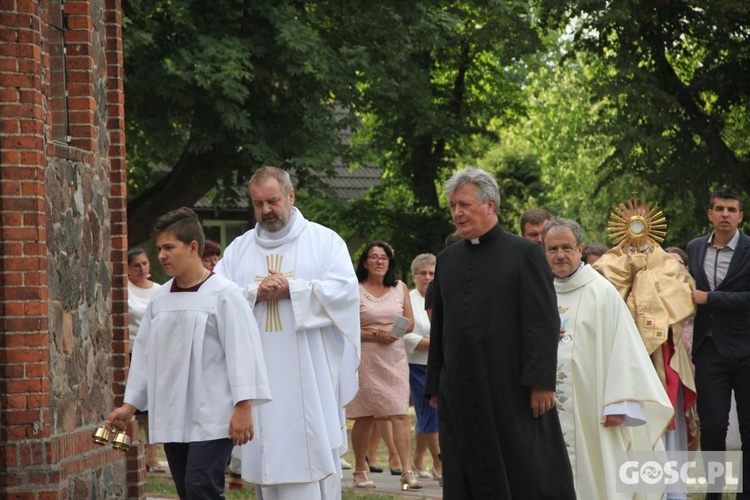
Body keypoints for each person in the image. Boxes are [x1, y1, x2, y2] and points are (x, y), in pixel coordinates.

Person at [425, 167, 575, 499]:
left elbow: (542, 321)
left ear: (490, 204)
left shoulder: (525, 253)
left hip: (510, 389)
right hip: (460, 389)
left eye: (464, 205)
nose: (457, 213)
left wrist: (541, 382)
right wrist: (436, 384)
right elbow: (441, 326)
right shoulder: (447, 259)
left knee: (524, 469)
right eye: (452, 206)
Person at [214, 166, 360, 500]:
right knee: (268, 465)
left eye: (273, 201)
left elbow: (345, 292)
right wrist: (254, 293)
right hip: (258, 378)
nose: (265, 210)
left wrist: (292, 290)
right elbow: (218, 297)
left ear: (291, 196)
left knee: (313, 460)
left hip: (312, 378)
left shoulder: (324, 241)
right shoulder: (238, 249)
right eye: (258, 203)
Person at [108, 207, 271, 499]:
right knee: (187, 490)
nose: (161, 256)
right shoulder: (159, 299)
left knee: (200, 488)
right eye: (159, 248)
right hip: (173, 412)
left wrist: (244, 407)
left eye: (169, 247)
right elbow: (145, 356)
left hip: (214, 414)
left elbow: (243, 352)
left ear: (193, 247)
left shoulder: (225, 295)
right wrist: (130, 405)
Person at [543, 217, 674, 499]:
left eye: (567, 247)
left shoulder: (601, 292)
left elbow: (625, 348)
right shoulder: (538, 290)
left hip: (595, 405)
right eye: (552, 249)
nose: (560, 255)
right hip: (545, 405)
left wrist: (620, 401)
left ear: (580, 249)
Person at [687, 186, 750, 499]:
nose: (726, 214)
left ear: (741, 215)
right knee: (711, 427)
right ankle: (713, 493)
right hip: (709, 349)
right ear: (710, 214)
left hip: (747, 349)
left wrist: (711, 298)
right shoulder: (695, 247)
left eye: (732, 209)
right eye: (720, 208)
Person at [345, 241, 423, 491]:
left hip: (394, 357)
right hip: (366, 358)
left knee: (399, 413)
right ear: (365, 262)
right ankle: (359, 469)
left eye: (384, 257)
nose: (379, 261)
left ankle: (407, 471)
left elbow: (409, 323)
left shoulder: (399, 287)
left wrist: (389, 332)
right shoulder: (354, 289)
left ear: (390, 262)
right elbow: (346, 327)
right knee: (365, 415)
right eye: (374, 257)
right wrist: (373, 336)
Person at [404, 253, 442, 481]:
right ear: (414, 276)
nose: (427, 277)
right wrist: (438, 344)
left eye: (431, 273)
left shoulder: (443, 295)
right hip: (417, 365)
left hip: (440, 364)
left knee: (431, 414)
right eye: (422, 273)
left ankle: (417, 459)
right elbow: (406, 336)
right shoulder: (407, 299)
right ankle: (439, 464)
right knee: (429, 413)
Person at [126, 248, 164, 472]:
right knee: (133, 404)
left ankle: (152, 454)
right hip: (130, 352)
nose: (142, 269)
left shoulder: (159, 290)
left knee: (152, 407)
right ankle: (131, 450)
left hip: (154, 352)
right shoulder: (125, 290)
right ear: (128, 268)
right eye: (136, 265)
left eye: (145, 263)